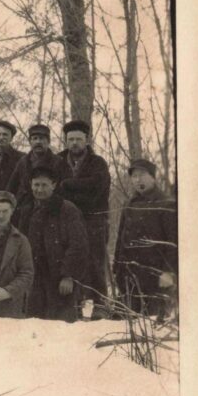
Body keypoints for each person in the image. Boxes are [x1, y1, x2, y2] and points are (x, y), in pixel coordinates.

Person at [15, 166, 88, 322]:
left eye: (44, 185)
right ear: (30, 184)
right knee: (34, 325)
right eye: (36, 185)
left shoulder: (67, 209)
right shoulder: (26, 210)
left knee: (60, 328)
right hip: (34, 279)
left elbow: (78, 245)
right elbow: (19, 244)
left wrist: (68, 276)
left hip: (59, 280)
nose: (39, 189)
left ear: (54, 185)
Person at [113, 159, 177, 318]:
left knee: (153, 323)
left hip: (155, 276)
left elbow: (173, 242)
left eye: (142, 175)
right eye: (134, 176)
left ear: (153, 178)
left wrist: (169, 272)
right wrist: (117, 268)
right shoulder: (129, 203)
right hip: (129, 275)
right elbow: (121, 238)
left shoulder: (166, 203)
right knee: (125, 322)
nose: (137, 179)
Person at [57, 120, 111, 307]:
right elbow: (54, 190)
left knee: (95, 262)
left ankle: (99, 304)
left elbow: (97, 190)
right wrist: (78, 188)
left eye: (78, 139)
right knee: (69, 259)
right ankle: (74, 303)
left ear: (86, 140)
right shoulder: (58, 161)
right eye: (70, 139)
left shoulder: (97, 163)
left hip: (93, 220)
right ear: (66, 141)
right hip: (65, 221)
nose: (74, 143)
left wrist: (68, 185)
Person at [6, 124, 71, 206]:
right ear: (30, 142)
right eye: (35, 138)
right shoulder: (23, 162)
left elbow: (65, 190)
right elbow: (11, 187)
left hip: (51, 206)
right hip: (25, 206)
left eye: (42, 138)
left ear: (48, 141)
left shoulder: (59, 162)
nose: (38, 142)